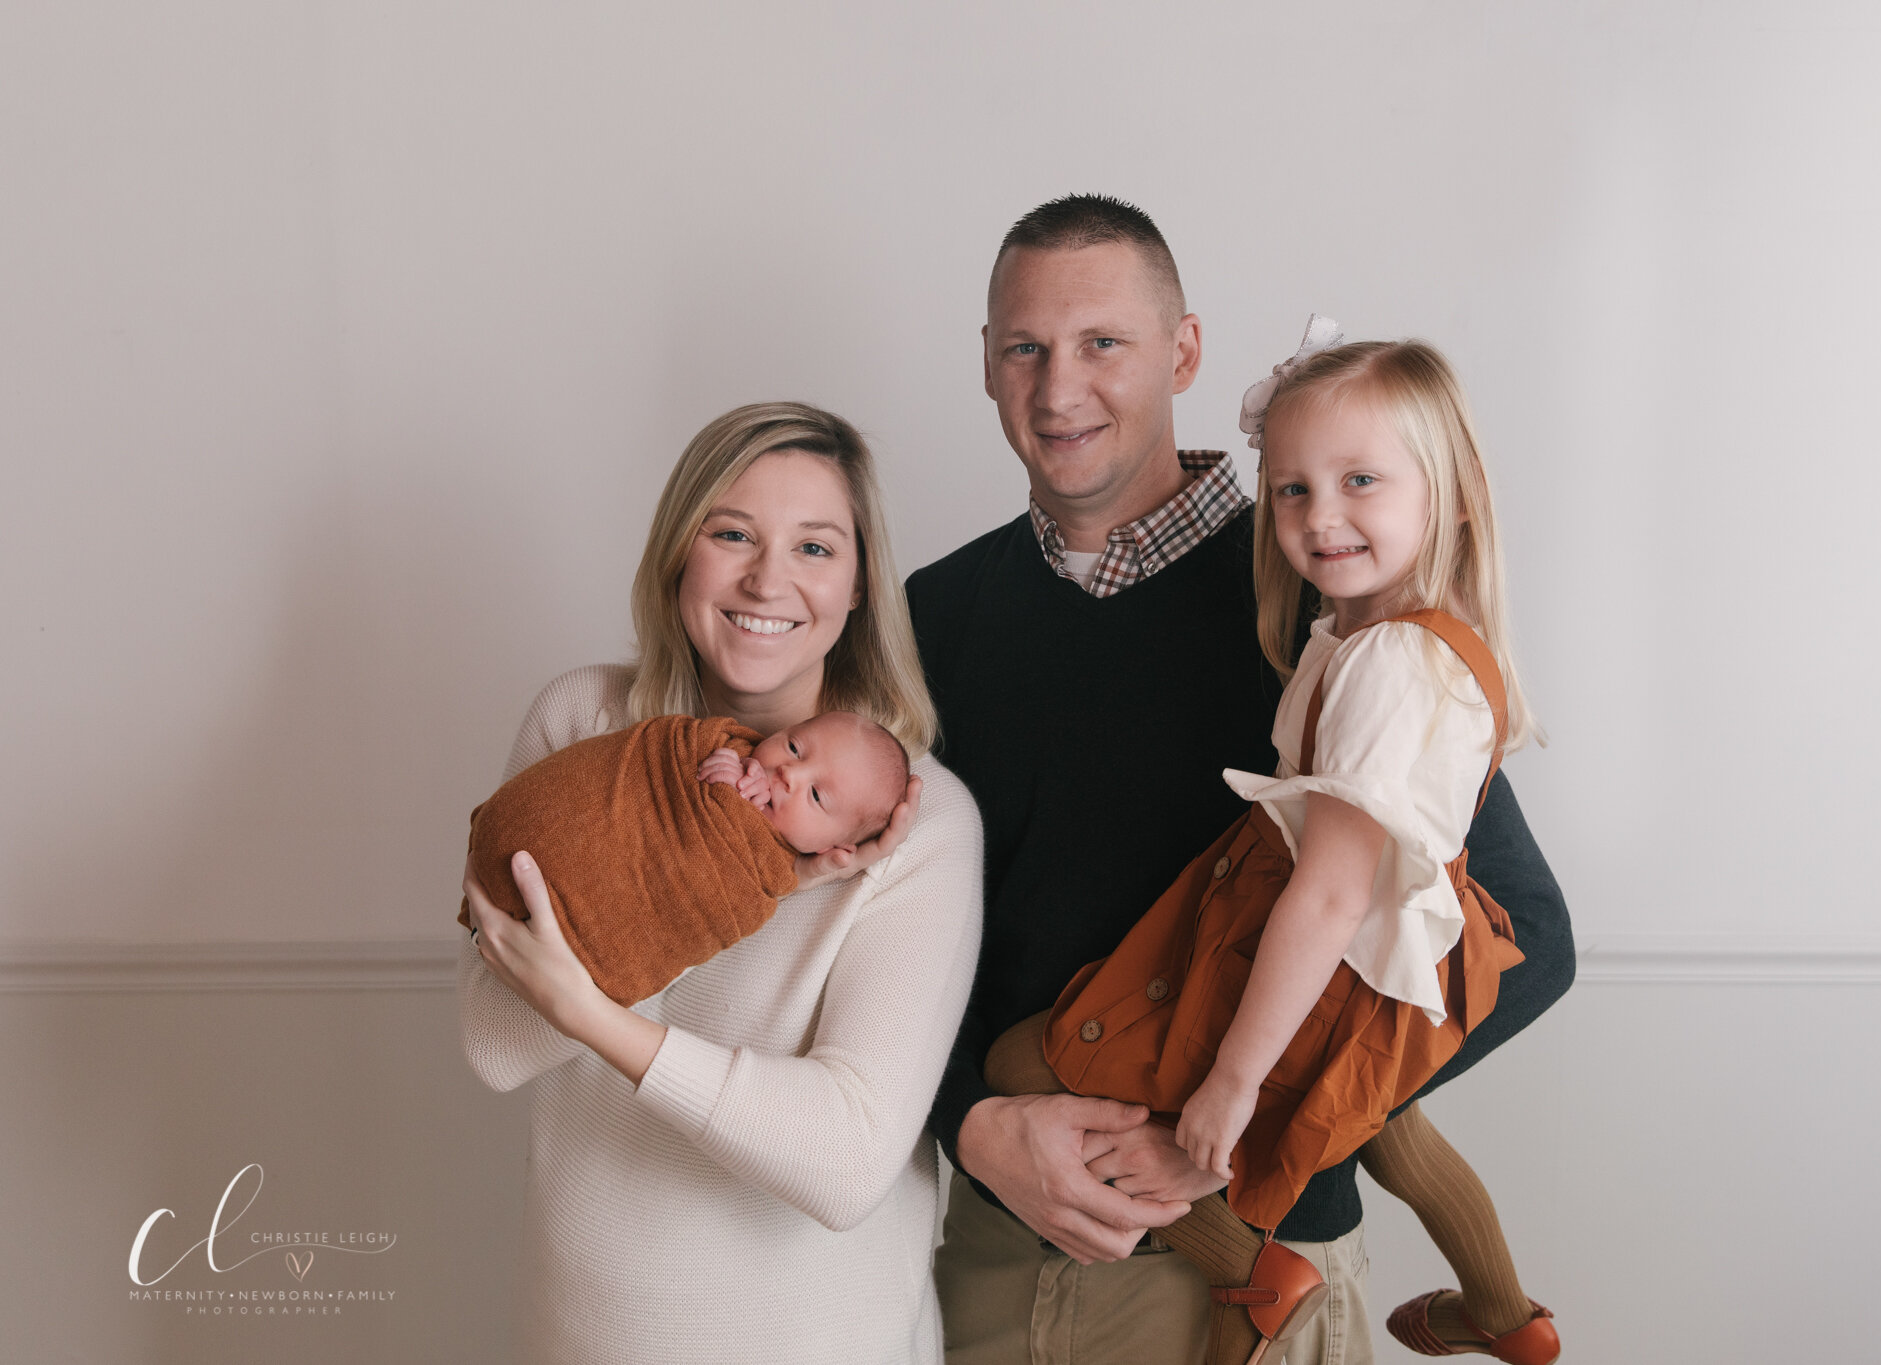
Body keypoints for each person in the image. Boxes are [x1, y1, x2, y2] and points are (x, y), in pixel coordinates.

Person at [909, 196, 1575, 1365]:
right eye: (1024, 347)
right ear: (984, 363)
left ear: (1184, 354)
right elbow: (883, 944)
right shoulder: (926, 618)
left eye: (1102, 343)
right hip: (990, 1263)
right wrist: (969, 1120)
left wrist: (1229, 1123)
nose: (1058, 387)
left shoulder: (1328, 605)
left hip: (1259, 1272)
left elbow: (1521, 947)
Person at [458, 401, 983, 1365]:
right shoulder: (582, 726)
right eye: (731, 532)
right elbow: (496, 1041)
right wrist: (719, 871)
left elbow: (846, 1162)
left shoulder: (915, 818)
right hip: (577, 1341)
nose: (767, 579)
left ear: (862, 583)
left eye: (816, 547)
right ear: (678, 555)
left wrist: (602, 1009)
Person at [460, 708, 912, 1007]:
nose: (788, 773)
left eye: (816, 795)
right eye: (794, 747)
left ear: (836, 848)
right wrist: (726, 773)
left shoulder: (783, 874)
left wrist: (800, 876)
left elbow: (718, 893)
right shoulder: (721, 750)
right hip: (514, 847)